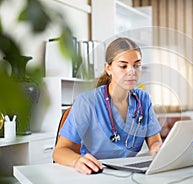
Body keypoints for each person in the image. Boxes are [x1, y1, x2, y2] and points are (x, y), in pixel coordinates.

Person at [52, 37, 162, 175]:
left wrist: (157, 148)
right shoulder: (87, 102)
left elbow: (154, 141)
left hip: (129, 175)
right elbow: (59, 151)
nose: (131, 71)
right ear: (108, 68)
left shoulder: (143, 99)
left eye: (136, 65)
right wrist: (77, 161)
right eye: (123, 66)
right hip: (94, 174)